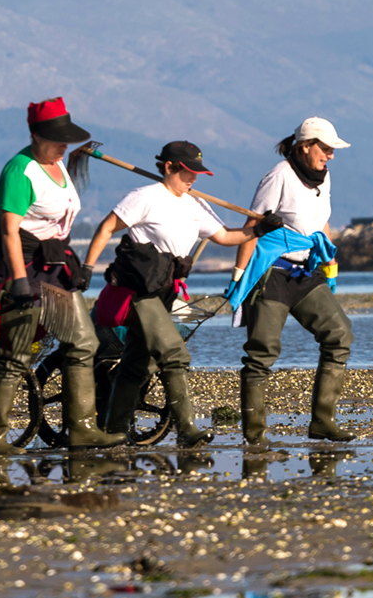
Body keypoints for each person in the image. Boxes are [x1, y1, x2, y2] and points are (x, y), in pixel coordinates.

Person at [84, 141, 277, 448]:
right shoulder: (144, 197)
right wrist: (87, 266)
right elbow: (107, 226)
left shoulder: (195, 204)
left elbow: (226, 236)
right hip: (137, 291)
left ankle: (114, 430)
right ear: (169, 167)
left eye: (197, 173)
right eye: (187, 172)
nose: (193, 179)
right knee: (174, 355)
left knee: (135, 363)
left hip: (164, 293)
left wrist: (260, 230)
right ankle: (187, 430)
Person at [0, 97, 119, 454]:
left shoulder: (59, 163)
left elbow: (58, 209)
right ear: (35, 134)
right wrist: (19, 282)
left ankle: (82, 428)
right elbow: (8, 231)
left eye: (66, 138)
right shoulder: (19, 170)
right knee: (15, 353)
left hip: (56, 267)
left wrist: (77, 157)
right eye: (56, 138)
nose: (63, 144)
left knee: (83, 343)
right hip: (20, 265)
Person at [225, 117, 358, 448]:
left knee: (339, 334)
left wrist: (330, 266)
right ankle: (254, 436)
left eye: (331, 150)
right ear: (305, 146)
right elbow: (251, 229)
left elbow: (320, 221)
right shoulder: (278, 176)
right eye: (325, 149)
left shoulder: (323, 178)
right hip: (272, 273)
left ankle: (323, 422)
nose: (329, 155)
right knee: (261, 353)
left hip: (306, 271)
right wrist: (239, 277)